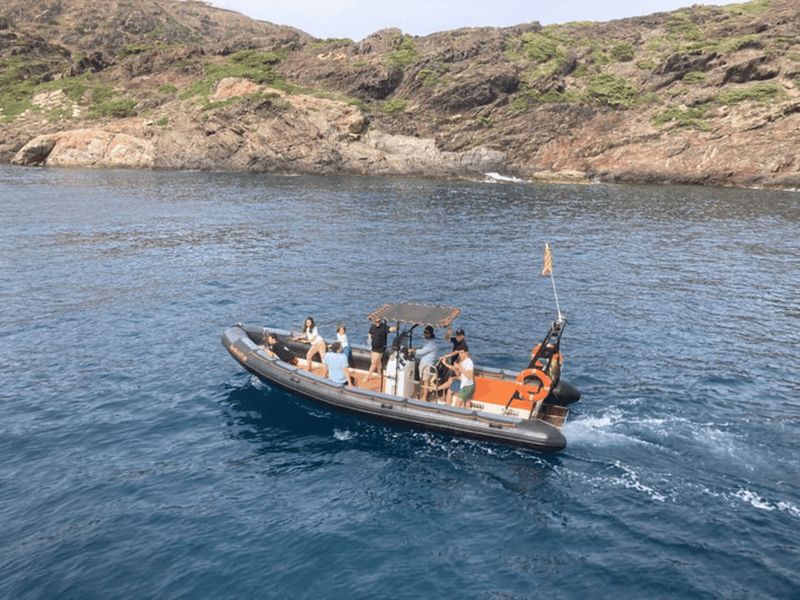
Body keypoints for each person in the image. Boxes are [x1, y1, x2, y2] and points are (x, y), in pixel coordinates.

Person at [412, 325, 439, 401]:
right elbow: (421, 350)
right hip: (423, 363)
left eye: (426, 333)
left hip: (427, 364)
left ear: (430, 333)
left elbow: (421, 352)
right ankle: (423, 393)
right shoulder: (427, 342)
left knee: (426, 380)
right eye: (424, 332)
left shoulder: (431, 344)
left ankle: (424, 397)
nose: (425, 334)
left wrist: (414, 350)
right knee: (423, 380)